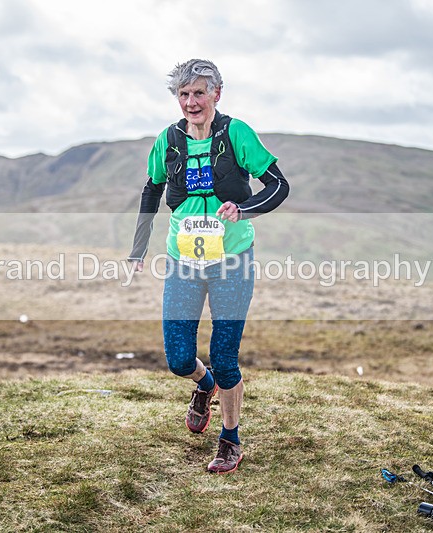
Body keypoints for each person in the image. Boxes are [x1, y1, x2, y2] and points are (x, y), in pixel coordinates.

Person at [128, 59, 289, 473]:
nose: (191, 101)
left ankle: (230, 439)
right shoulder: (168, 140)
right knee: (179, 358)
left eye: (199, 92)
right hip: (184, 261)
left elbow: (278, 185)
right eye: (183, 94)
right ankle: (204, 385)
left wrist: (245, 208)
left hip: (232, 260)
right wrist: (138, 250)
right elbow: (151, 190)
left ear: (217, 93)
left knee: (225, 356)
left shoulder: (236, 134)